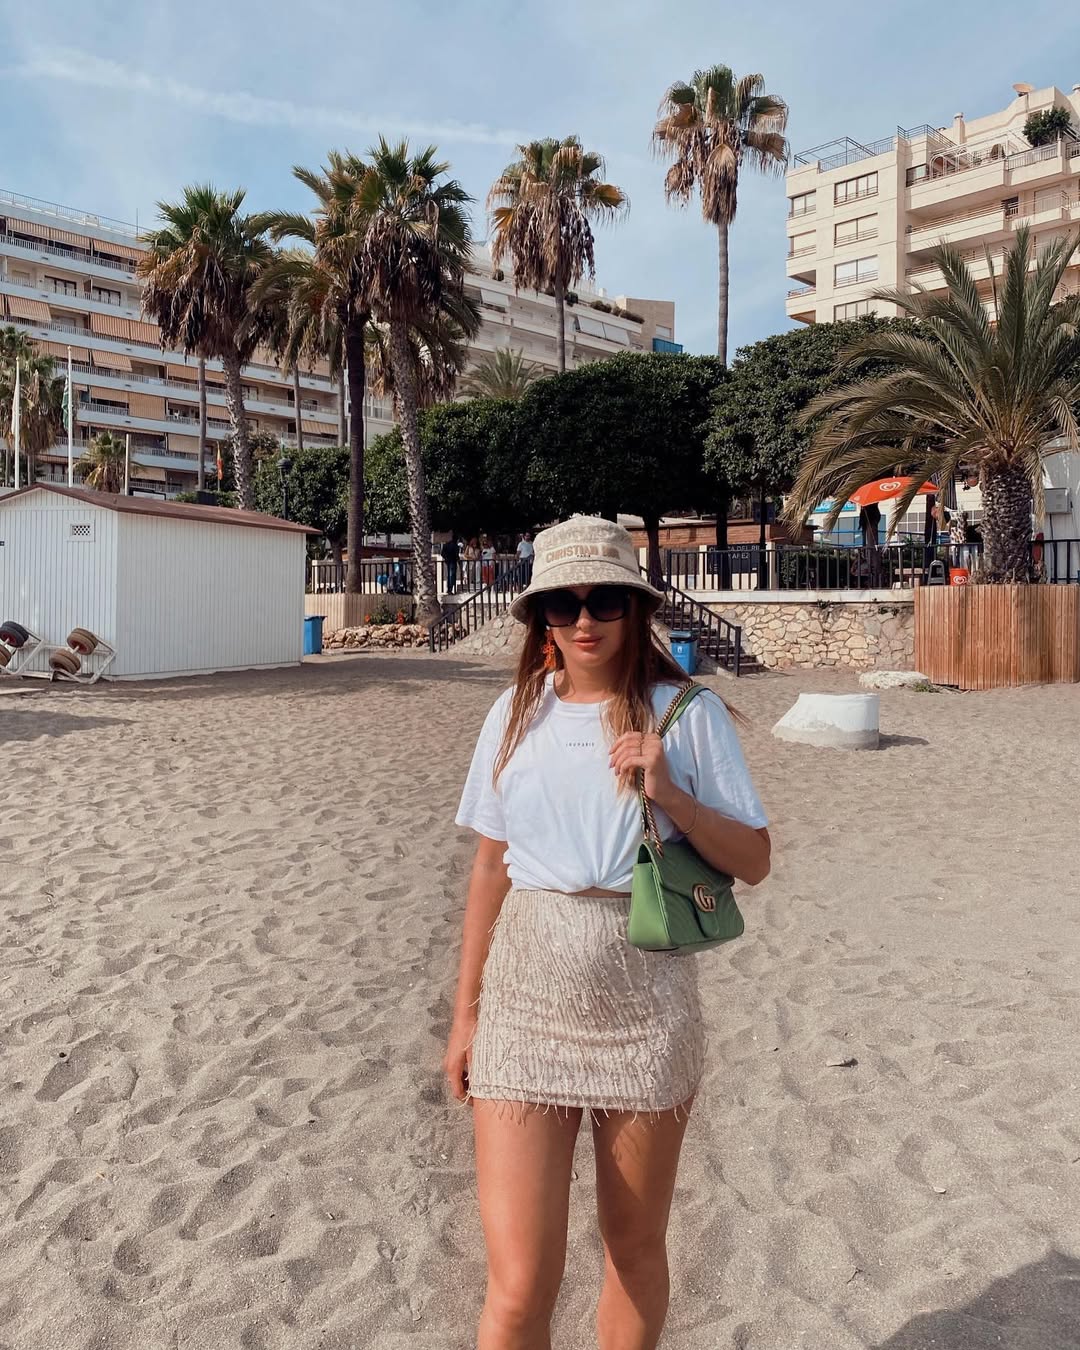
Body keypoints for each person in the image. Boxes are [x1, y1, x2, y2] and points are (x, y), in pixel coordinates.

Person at [446, 515, 771, 1349]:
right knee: (519, 1282)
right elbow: (489, 869)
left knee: (632, 1247)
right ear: (540, 619)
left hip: (646, 999)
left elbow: (755, 859)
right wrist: (464, 1015)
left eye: (605, 602)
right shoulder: (514, 713)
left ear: (637, 609)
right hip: (525, 994)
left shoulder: (687, 714)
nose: (584, 620)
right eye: (563, 603)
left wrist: (671, 794)